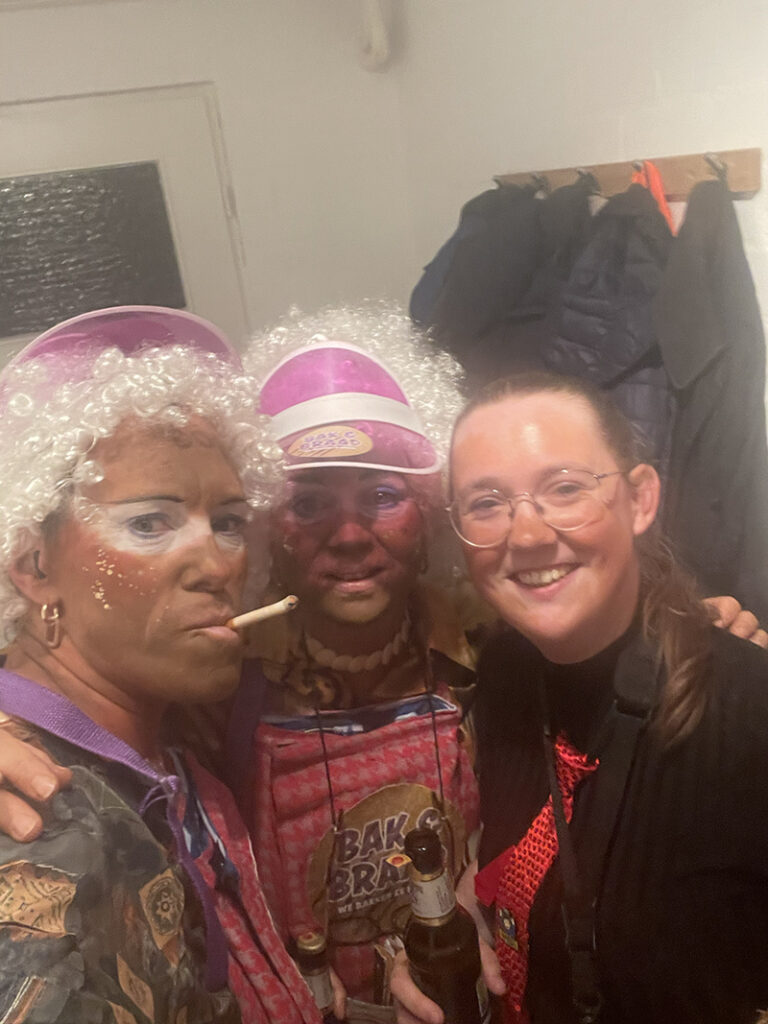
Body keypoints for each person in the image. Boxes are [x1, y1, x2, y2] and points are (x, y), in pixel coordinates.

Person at [392, 371, 768, 1024]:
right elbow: (519, 851)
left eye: (565, 489)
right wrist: (461, 930)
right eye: (486, 503)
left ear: (640, 499)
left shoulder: (747, 711)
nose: (527, 535)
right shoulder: (504, 673)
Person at [0, 307, 321, 1024]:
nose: (218, 566)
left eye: (229, 522)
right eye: (150, 523)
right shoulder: (33, 817)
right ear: (33, 565)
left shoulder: (172, 749)